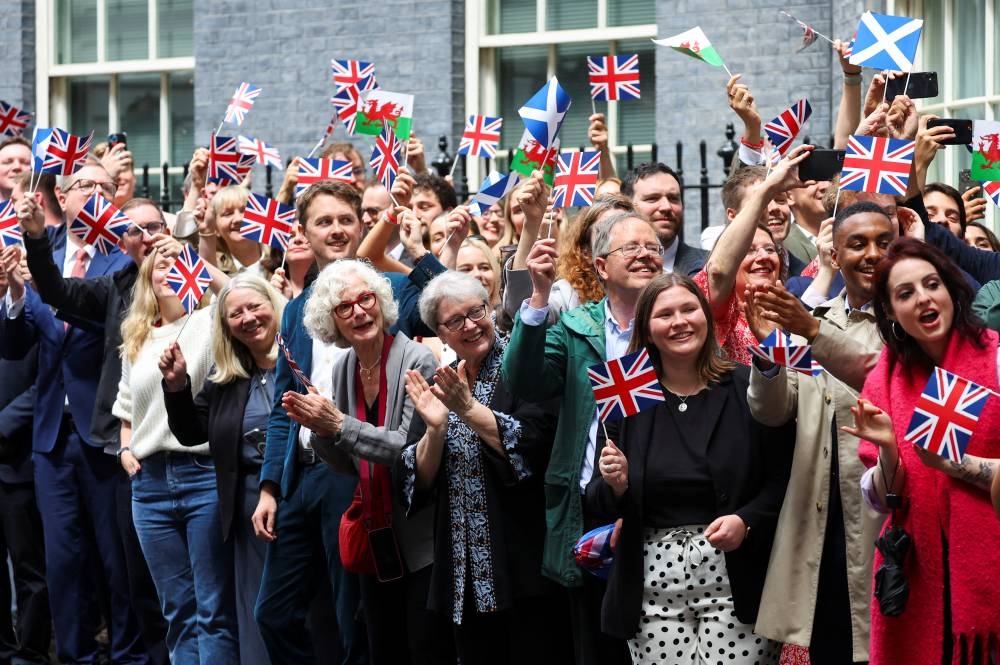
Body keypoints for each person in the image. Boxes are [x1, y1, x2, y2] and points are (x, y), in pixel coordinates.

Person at [586, 272, 791, 664]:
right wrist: (615, 484)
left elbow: (785, 478)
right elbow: (597, 500)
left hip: (737, 576)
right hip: (650, 582)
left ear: (706, 317)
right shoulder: (627, 397)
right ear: (646, 328)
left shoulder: (747, 387)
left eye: (688, 309)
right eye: (665, 314)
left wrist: (746, 520)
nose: (679, 321)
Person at [502, 210, 665, 665]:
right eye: (631, 248)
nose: (644, 255)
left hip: (663, 503)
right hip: (590, 500)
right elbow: (526, 381)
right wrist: (537, 294)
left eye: (652, 247)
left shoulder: (676, 320)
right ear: (600, 266)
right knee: (595, 644)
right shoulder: (577, 327)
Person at [4, 164, 148, 665]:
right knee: (62, 562)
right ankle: (76, 656)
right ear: (60, 197)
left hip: (105, 430)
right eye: (84, 185)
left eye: (105, 187)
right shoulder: (41, 256)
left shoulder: (125, 262)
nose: (95, 192)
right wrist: (17, 296)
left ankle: (128, 655)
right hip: (49, 436)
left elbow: (82, 308)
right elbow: (16, 345)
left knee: (117, 561)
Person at [746, 202, 895, 664]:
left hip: (885, 515)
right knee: (832, 643)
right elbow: (772, 412)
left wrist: (811, 331)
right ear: (836, 252)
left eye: (884, 243)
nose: (872, 254)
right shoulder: (811, 316)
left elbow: (886, 382)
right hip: (822, 514)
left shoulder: (910, 320)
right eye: (858, 244)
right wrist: (768, 354)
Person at [282, 259, 450, 665]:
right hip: (375, 537)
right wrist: (320, 432)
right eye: (344, 307)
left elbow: (405, 453)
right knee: (382, 651)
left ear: (381, 302)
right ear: (333, 322)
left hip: (421, 536)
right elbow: (347, 464)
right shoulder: (344, 367)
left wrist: (338, 424)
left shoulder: (416, 360)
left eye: (366, 299)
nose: (359, 311)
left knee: (425, 650)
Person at [401, 271, 570, 664]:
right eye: (455, 321)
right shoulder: (438, 381)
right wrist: (437, 430)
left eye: (476, 311)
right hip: (463, 571)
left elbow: (535, 443)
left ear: (491, 309)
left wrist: (468, 410)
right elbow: (416, 478)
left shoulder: (524, 364)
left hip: (526, 560)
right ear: (440, 334)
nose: (471, 325)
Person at [846, 237, 1000, 665]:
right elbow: (881, 499)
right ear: (892, 313)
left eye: (932, 284)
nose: (923, 299)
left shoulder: (996, 357)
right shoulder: (885, 379)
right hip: (921, 572)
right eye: (905, 293)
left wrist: (960, 466)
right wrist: (889, 450)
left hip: (989, 566)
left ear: (952, 290)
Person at [113, 252, 238, 664]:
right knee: (177, 610)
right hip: (148, 487)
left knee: (213, 609)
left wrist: (197, 259)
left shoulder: (210, 321)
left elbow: (235, 293)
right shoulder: (136, 336)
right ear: (147, 279)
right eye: (160, 265)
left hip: (202, 476)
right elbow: (128, 411)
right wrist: (125, 448)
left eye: (178, 262)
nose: (169, 269)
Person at [160, 274, 287, 665]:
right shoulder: (226, 379)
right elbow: (190, 431)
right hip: (248, 510)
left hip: (301, 495)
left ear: (274, 306)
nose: (248, 318)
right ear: (226, 326)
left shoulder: (306, 359)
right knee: (258, 612)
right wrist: (177, 385)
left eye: (255, 307)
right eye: (236, 313)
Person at [694, 145, 813, 364]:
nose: (763, 257)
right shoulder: (720, 312)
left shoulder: (795, 307)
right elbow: (719, 271)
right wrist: (768, 188)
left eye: (770, 249)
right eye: (748, 250)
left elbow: (803, 376)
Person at [0, 250, 50, 665]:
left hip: (17, 458)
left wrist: (2, 426)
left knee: (30, 567)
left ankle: (31, 652)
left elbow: (46, 382)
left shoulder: (35, 310)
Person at [620, 162, 708, 276]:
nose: (666, 207)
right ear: (627, 206)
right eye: (652, 198)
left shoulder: (708, 267)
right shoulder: (610, 270)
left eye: (673, 198)